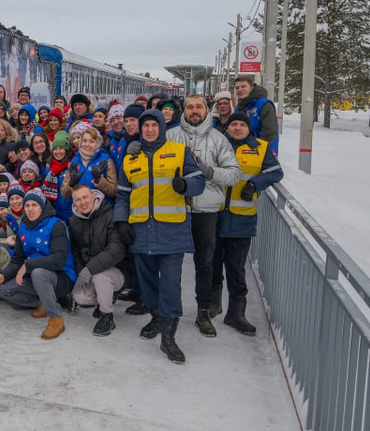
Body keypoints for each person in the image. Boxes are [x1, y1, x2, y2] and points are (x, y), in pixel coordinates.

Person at [114, 108, 206, 364]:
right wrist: (121, 221)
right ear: (140, 129)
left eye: (154, 125)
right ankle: (157, 316)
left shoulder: (180, 152)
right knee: (147, 281)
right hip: (141, 230)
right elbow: (122, 194)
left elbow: (199, 181)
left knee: (170, 283)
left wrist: (185, 185)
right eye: (146, 126)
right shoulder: (130, 159)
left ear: (162, 128)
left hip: (171, 230)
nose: (150, 130)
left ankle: (168, 335)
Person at [167, 94, 242, 338]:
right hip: (176, 208)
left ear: (207, 110)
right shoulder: (170, 136)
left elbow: (234, 174)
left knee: (205, 263)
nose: (194, 111)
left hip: (206, 211)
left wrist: (209, 172)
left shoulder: (219, 139)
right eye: (190, 107)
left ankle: (203, 311)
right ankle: (169, 311)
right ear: (184, 111)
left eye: (198, 107)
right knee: (172, 263)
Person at [214, 113, 283, 335]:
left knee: (236, 268)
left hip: (241, 220)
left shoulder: (260, 147)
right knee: (211, 264)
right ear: (227, 127)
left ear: (248, 127)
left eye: (242, 124)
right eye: (233, 124)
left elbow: (275, 172)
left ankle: (236, 313)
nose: (237, 128)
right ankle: (211, 305)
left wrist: (254, 184)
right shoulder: (217, 144)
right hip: (214, 216)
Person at [0, 189, 73, 339]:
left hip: (61, 277)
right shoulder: (23, 227)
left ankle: (56, 318)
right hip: (35, 276)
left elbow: (59, 260)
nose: (30, 209)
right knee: (3, 290)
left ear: (42, 207)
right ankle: (43, 302)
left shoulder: (56, 225)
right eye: (27, 205)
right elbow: (18, 259)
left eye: (34, 205)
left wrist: (28, 265)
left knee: (38, 273)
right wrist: (4, 275)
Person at [67, 185, 133, 337]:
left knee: (101, 277)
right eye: (78, 200)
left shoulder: (110, 215)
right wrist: (81, 272)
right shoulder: (74, 222)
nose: (83, 202)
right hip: (91, 270)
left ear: (93, 196)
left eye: (85, 197)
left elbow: (116, 250)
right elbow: (76, 252)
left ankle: (106, 316)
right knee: (80, 296)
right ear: (74, 203)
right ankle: (107, 297)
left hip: (118, 269)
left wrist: (88, 270)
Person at [61, 127, 117, 199]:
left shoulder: (106, 159)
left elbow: (113, 191)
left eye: (91, 141)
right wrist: (71, 183)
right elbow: (64, 194)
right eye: (84, 141)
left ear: (97, 143)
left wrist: (99, 180)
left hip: (102, 205)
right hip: (80, 204)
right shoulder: (75, 160)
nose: (87, 144)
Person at [234, 75, 279, 155]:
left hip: (262, 152)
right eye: (237, 88)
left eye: (243, 86)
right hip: (244, 152)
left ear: (252, 87)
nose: (240, 90)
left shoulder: (264, 104)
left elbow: (269, 131)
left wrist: (255, 149)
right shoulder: (239, 107)